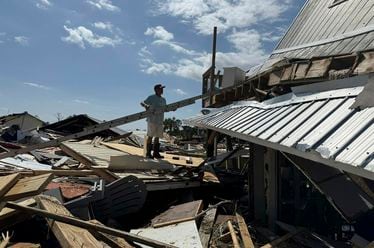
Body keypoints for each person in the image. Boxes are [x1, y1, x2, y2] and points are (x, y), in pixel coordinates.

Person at [141, 84, 167, 159]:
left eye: (162, 89)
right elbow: (142, 102)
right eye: (160, 89)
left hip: (160, 120)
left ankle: (156, 153)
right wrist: (146, 106)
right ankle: (148, 153)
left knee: (157, 137)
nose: (162, 90)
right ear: (156, 90)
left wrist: (173, 109)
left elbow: (165, 109)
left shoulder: (163, 99)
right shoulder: (151, 97)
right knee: (150, 136)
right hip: (152, 120)